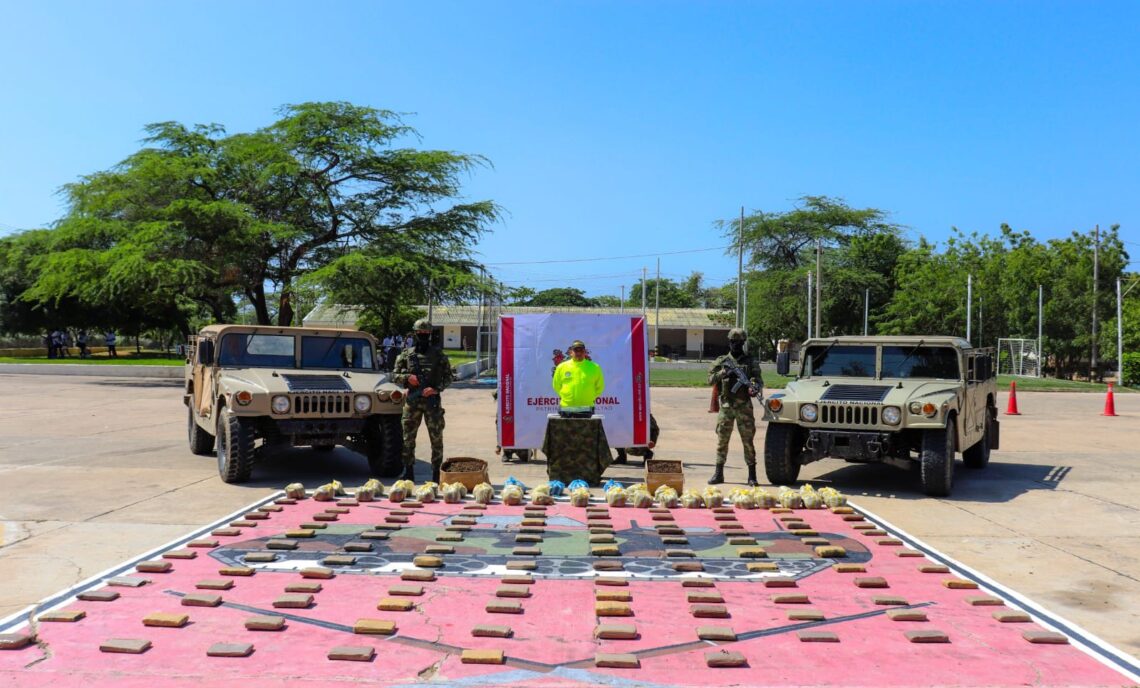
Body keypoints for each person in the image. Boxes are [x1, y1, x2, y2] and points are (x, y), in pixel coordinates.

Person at [391, 319, 454, 482]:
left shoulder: (439, 355)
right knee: (407, 439)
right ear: (415, 334)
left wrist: (436, 389)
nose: (423, 336)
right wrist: (407, 378)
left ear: (430, 334)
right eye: (420, 334)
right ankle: (408, 472)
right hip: (412, 403)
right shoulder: (406, 354)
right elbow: (393, 375)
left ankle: (435, 474)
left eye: (426, 334)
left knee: (436, 439)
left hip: (432, 403)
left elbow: (449, 377)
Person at [707, 328, 763, 486]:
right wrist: (724, 373)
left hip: (744, 406)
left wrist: (754, 387)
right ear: (729, 342)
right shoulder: (722, 361)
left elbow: (759, 380)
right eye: (733, 342)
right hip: (726, 406)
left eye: (739, 342)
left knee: (748, 441)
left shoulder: (751, 361)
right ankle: (718, 474)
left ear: (743, 343)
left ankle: (752, 476)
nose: (735, 345)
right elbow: (710, 379)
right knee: (722, 441)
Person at [552, 339, 604, 418]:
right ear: (571, 352)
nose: (579, 353)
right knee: (565, 431)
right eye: (576, 350)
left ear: (585, 352)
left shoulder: (595, 367)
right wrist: (567, 397)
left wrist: (589, 398)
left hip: (587, 408)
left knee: (587, 431)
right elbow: (556, 386)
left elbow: (600, 386)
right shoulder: (561, 367)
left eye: (581, 350)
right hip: (566, 408)